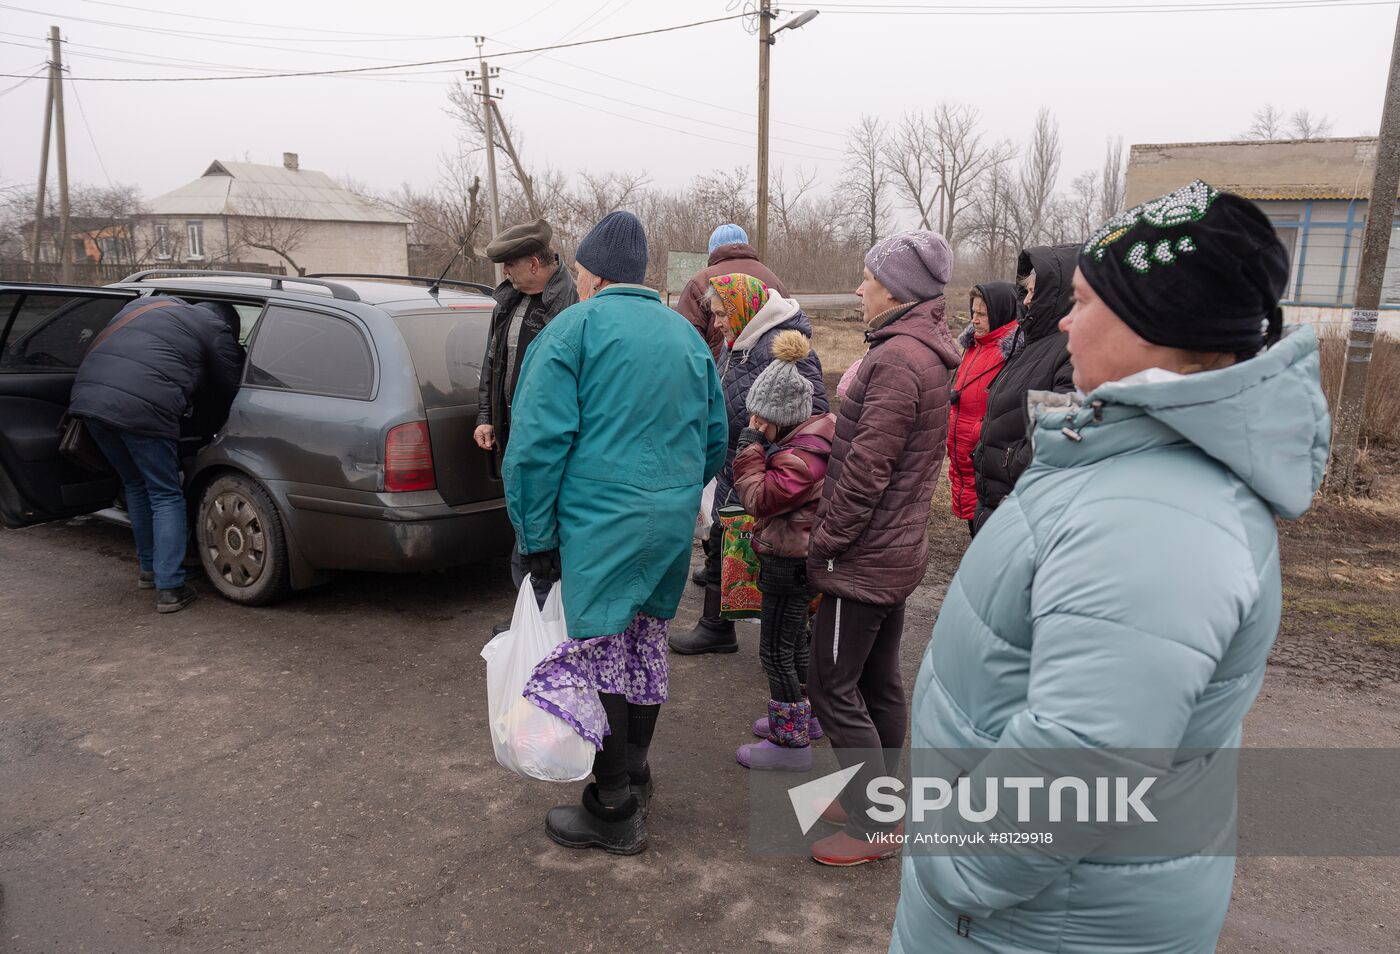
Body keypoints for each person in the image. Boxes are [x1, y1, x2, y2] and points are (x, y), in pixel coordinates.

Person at [889, 182, 1329, 952]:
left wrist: (950, 863)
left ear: (1162, 328)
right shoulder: (1139, 467)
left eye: (1086, 301)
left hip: (1029, 924)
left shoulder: (1156, 519)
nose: (1062, 319)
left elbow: (1080, 763)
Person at [504, 210, 727, 855]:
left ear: (594, 274)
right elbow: (716, 436)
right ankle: (634, 770)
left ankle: (611, 805)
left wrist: (535, 536)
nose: (575, 280)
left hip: (599, 522)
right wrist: (676, 491)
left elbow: (535, 448)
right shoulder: (685, 335)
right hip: (669, 520)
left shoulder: (572, 330)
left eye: (576, 270)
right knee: (643, 643)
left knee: (601, 649)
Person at [805, 230, 960, 866]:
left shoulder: (900, 359)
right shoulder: (914, 349)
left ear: (896, 288)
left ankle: (874, 823)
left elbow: (868, 468)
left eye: (868, 276)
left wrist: (826, 544)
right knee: (875, 680)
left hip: (863, 556)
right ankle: (876, 797)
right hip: (892, 547)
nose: (859, 287)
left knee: (830, 683)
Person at [668, 273, 827, 656]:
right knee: (723, 544)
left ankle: (793, 647)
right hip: (736, 464)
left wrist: (766, 458)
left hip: (767, 473)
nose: (717, 322)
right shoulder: (737, 343)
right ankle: (716, 627)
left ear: (744, 310)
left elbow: (810, 415)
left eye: (723, 314)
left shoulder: (782, 348)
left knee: (774, 561)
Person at [68, 296, 244, 613]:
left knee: (136, 484)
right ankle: (171, 587)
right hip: (142, 410)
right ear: (228, 324)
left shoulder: (141, 306)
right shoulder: (213, 327)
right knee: (165, 493)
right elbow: (232, 385)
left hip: (88, 402)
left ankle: (151, 570)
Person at [729, 330, 837, 773]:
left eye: (759, 416)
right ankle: (804, 715)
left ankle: (790, 742)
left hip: (789, 563)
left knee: (774, 650)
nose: (753, 422)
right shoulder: (807, 442)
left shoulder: (798, 458)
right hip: (797, 557)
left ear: (780, 416)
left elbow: (759, 498)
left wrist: (748, 448)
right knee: (793, 645)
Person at [474, 218, 579, 626]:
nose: (505, 273)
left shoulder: (568, 307)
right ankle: (531, 619)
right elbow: (491, 364)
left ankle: (539, 622)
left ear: (535, 263)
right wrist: (486, 416)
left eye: (510, 265)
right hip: (513, 437)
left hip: (546, 441)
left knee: (542, 535)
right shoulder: (508, 302)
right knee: (524, 527)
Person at [970, 244, 1077, 533]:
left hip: (1018, 509)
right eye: (1026, 292)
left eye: (1034, 292)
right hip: (996, 503)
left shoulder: (1069, 352)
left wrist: (1008, 464)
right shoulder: (1031, 344)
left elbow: (1058, 438)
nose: (1027, 301)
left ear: (1059, 295)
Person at [947, 283, 1021, 536]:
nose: (974, 320)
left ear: (1000, 313)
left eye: (982, 314)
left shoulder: (1012, 354)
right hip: (967, 465)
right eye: (973, 312)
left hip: (989, 467)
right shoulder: (974, 346)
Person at [676, 224, 790, 361]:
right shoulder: (773, 279)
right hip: (772, 371)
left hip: (721, 373)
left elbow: (686, 340)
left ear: (712, 251)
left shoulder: (701, 281)